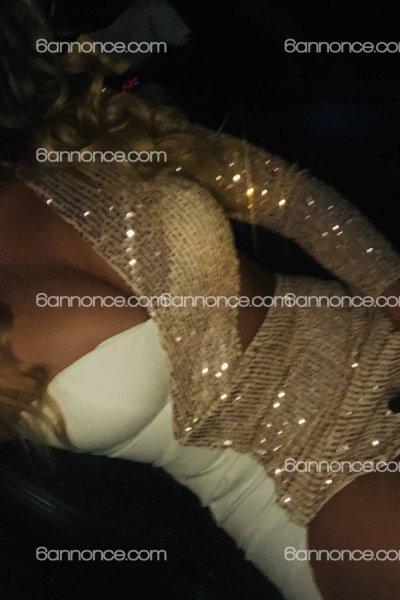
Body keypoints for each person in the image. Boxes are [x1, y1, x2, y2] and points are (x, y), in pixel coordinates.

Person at [1, 1, 400, 598]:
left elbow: (287, 198)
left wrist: (394, 291)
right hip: (308, 480)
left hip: (376, 340)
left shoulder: (75, 139)